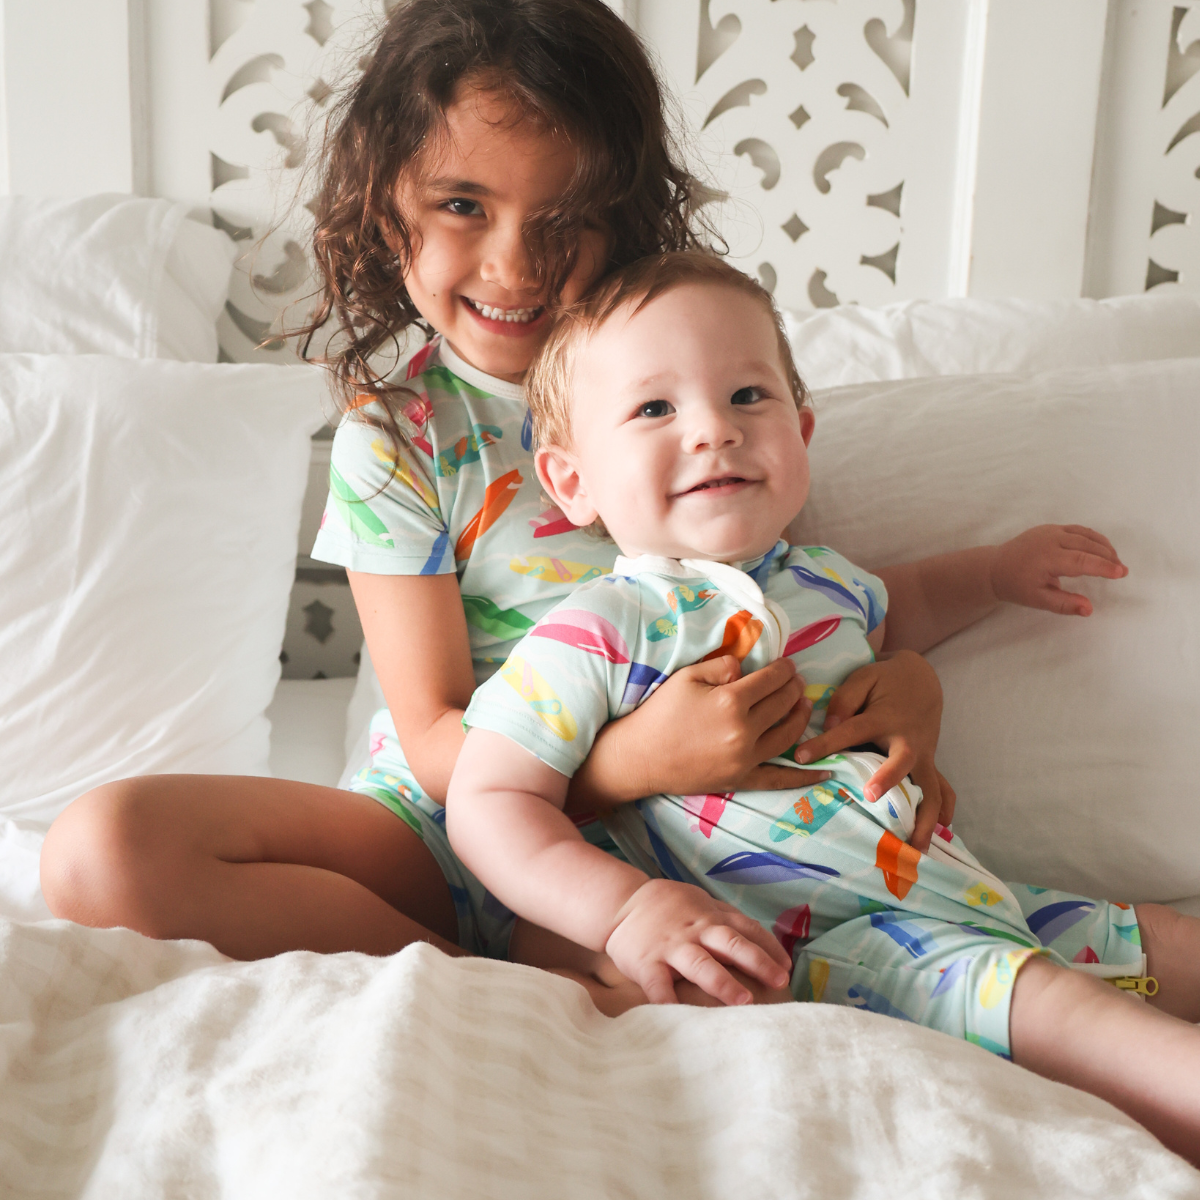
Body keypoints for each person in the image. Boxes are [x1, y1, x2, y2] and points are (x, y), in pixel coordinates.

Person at [39, 0, 949, 1008]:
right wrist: (626, 763)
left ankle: (583, 963)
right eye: (463, 204)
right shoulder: (402, 435)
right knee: (100, 850)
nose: (515, 265)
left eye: (565, 219)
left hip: (691, 837)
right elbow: (435, 736)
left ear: (625, 216)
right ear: (385, 206)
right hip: (450, 827)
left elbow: (800, 601)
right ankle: (505, 984)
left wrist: (909, 689)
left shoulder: (704, 388)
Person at [446, 250, 1200, 1163]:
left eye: (747, 397)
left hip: (972, 898)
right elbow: (487, 799)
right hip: (836, 945)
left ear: (801, 434)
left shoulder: (825, 582)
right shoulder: (600, 629)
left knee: (1170, 945)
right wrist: (623, 912)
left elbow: (907, 604)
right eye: (654, 409)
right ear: (572, 482)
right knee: (1076, 1019)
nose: (713, 430)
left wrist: (996, 573)